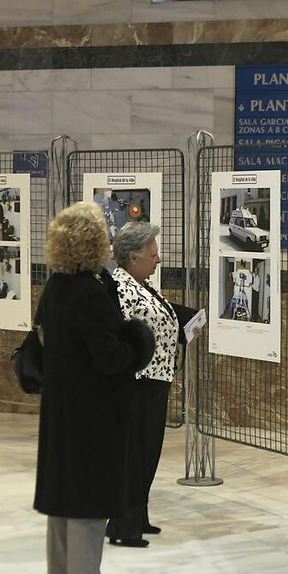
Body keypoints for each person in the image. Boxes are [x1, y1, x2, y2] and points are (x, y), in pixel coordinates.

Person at [35, 202, 155, 574]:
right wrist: (137, 344)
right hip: (92, 413)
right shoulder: (88, 291)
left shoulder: (56, 286)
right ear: (91, 242)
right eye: (103, 233)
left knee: (63, 498)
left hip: (62, 410)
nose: (109, 238)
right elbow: (107, 358)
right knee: (88, 503)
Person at [109, 222, 194, 548]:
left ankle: (138, 517)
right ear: (133, 256)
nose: (158, 259)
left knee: (148, 454)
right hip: (137, 383)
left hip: (155, 380)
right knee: (135, 455)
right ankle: (123, 524)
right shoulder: (120, 287)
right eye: (153, 254)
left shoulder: (142, 284)